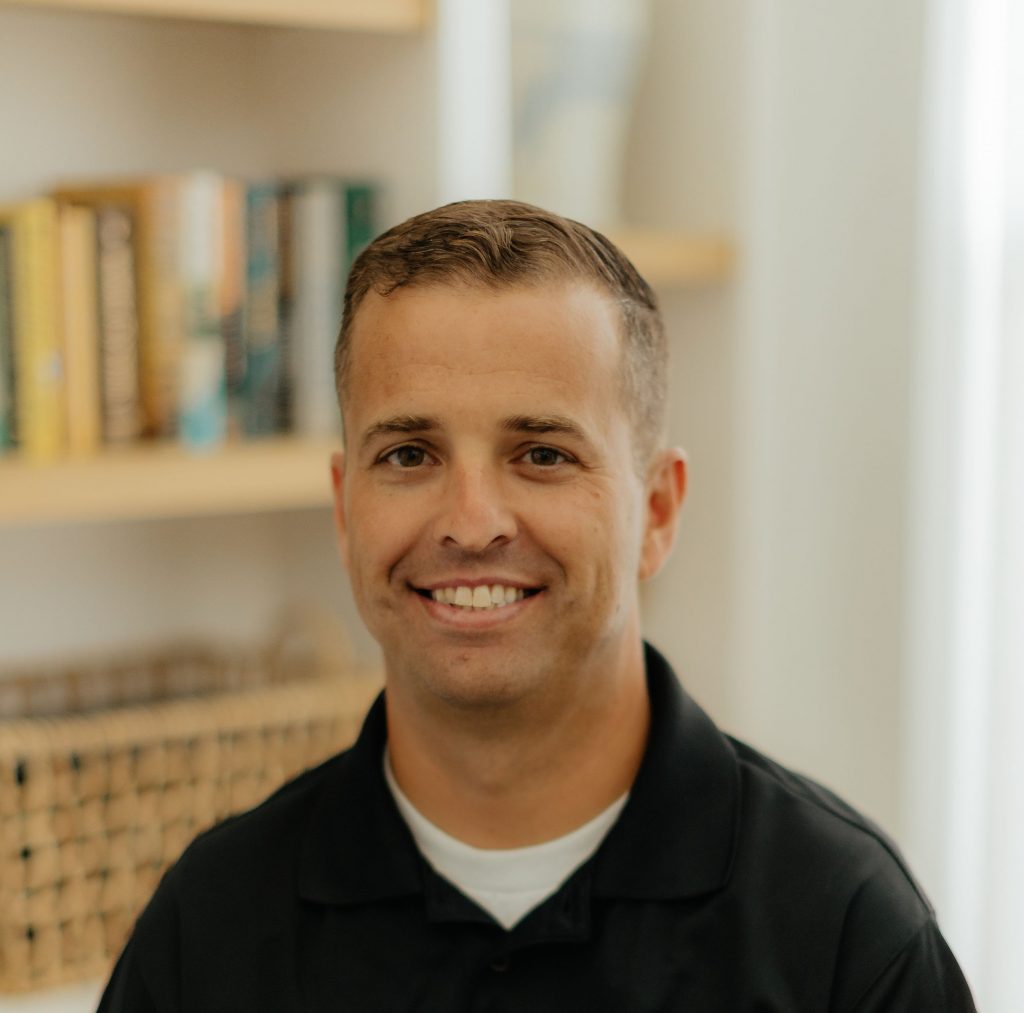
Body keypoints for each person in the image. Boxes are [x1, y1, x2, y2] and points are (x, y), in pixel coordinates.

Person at [98, 200, 975, 1011]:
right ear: (343, 507)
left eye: (543, 454)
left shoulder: (844, 932)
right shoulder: (206, 928)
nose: (471, 523)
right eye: (409, 454)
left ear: (657, 512)